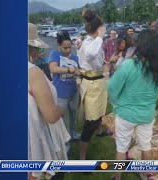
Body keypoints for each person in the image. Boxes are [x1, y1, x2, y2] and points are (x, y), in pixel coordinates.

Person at [107, 29, 158, 180]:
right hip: (146, 115)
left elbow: (112, 87)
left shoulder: (129, 65)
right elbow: (156, 94)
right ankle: (148, 175)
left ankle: (117, 176)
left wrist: (116, 102)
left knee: (121, 147)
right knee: (146, 147)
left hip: (126, 114)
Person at [28, 23, 70, 180]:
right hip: (37, 136)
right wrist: (59, 110)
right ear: (31, 47)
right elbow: (51, 116)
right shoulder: (33, 72)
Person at [77, 9, 109, 160]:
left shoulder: (91, 43)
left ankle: (99, 131)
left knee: (98, 114)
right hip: (92, 84)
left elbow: (97, 58)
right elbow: (91, 54)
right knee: (91, 120)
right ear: (98, 29)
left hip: (97, 82)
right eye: (102, 28)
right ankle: (82, 157)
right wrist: (101, 37)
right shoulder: (89, 43)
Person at [48, 31, 81, 140]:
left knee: (73, 115)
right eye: (64, 48)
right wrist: (70, 70)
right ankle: (65, 142)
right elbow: (53, 68)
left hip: (73, 92)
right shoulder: (54, 54)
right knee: (63, 119)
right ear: (59, 45)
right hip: (61, 94)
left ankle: (73, 133)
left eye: (69, 48)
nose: (67, 50)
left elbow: (80, 71)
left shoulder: (75, 57)